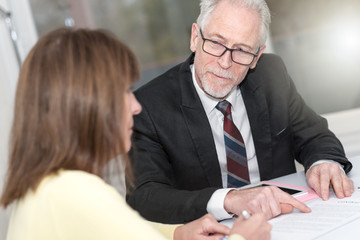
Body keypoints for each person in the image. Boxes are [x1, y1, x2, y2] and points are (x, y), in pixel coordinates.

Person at [0, 28, 271, 240]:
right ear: (85, 105)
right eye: (123, 92)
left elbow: (115, 231)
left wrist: (176, 234)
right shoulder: (73, 193)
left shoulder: (48, 187)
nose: (136, 105)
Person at [126, 0, 354, 224]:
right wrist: (228, 200)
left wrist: (323, 162)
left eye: (242, 50)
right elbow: (144, 196)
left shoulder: (271, 75)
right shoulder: (148, 107)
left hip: (286, 220)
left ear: (256, 56)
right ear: (195, 37)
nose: (225, 62)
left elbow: (315, 135)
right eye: (216, 42)